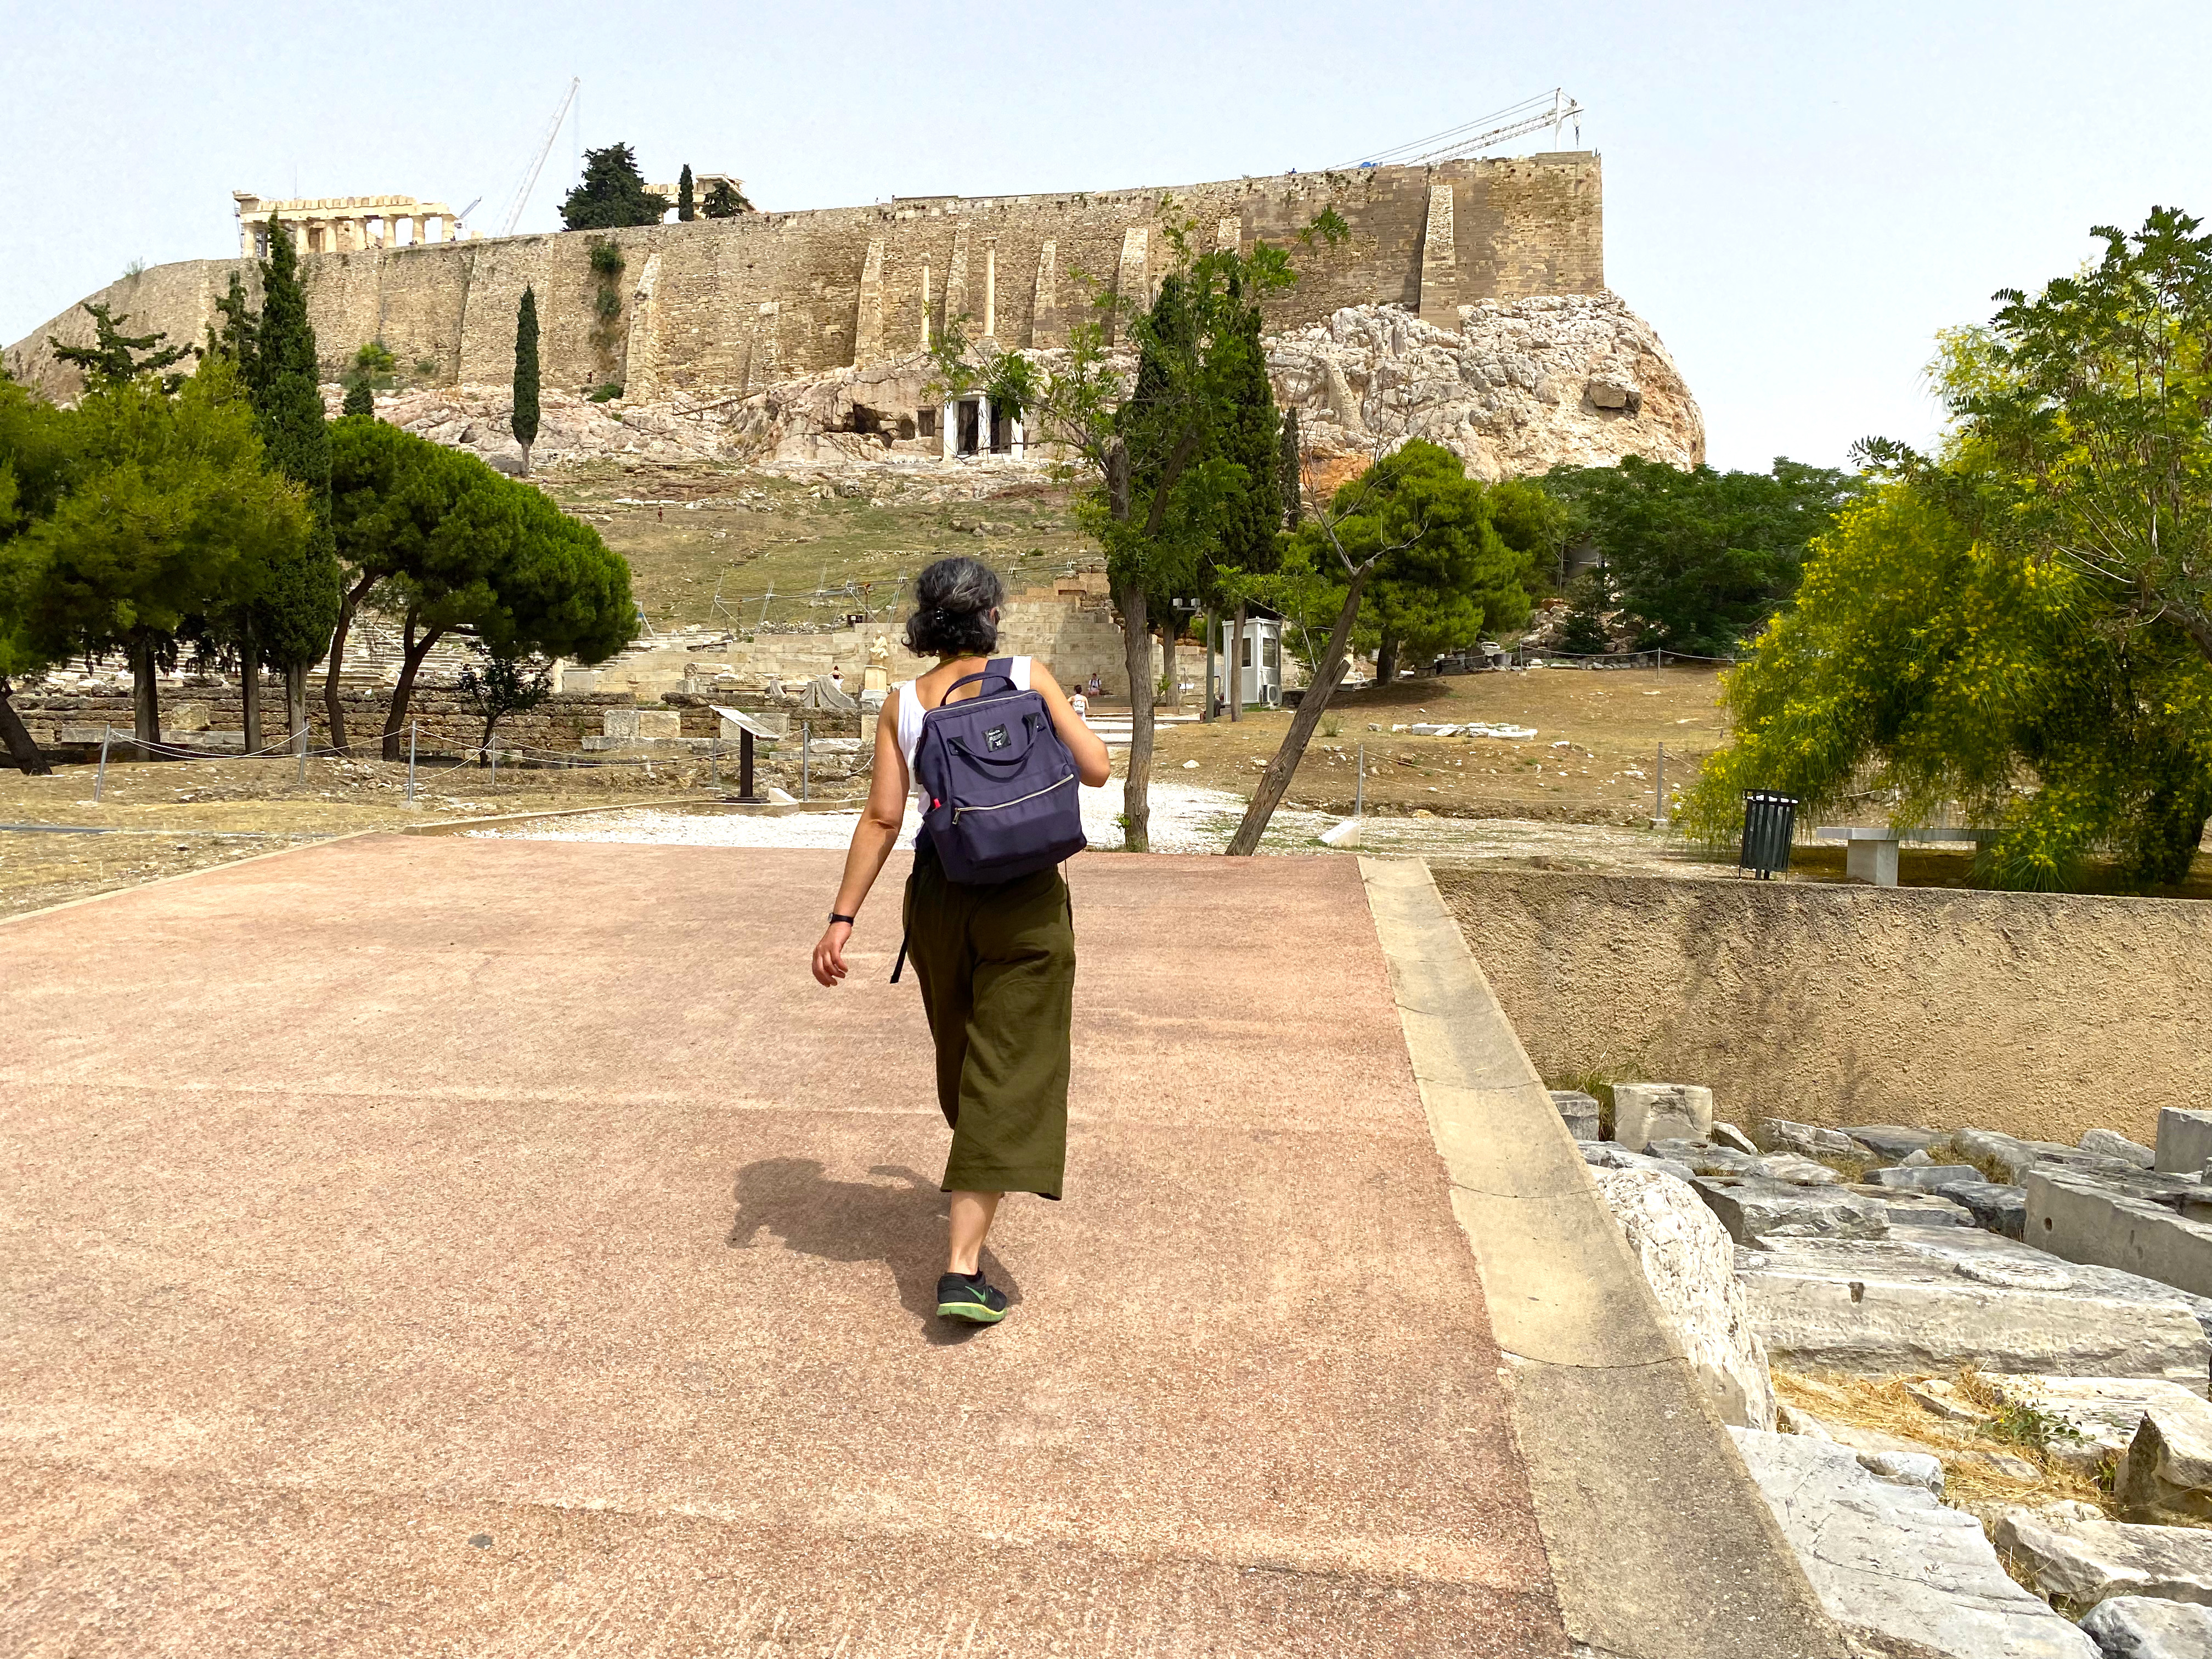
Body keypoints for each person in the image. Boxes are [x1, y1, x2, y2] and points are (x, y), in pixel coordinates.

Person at [810, 557, 1110, 1325]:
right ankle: (961, 1270)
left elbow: (883, 819)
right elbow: (1097, 770)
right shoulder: (1027, 676)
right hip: (1027, 900)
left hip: (942, 897)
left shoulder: (903, 703)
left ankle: (974, 1182)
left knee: (963, 1058)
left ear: (925, 622)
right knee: (1011, 1069)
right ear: (991, 615)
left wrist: (842, 919)